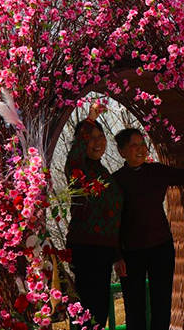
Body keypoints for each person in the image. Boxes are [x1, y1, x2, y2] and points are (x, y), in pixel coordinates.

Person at [112, 128, 184, 330]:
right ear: (122, 152)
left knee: (162, 304)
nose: (140, 149)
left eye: (142, 144)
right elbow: (111, 222)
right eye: (134, 145)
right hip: (130, 253)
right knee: (134, 307)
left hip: (161, 248)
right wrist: (117, 256)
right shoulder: (116, 181)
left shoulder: (157, 171)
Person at [64, 103, 125, 327]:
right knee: (86, 313)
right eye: (91, 137)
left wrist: (117, 254)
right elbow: (74, 156)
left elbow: (114, 217)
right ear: (82, 141)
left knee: (99, 312)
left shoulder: (102, 171)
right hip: (85, 249)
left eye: (101, 136)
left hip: (103, 251)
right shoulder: (78, 167)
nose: (98, 141)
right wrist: (90, 118)